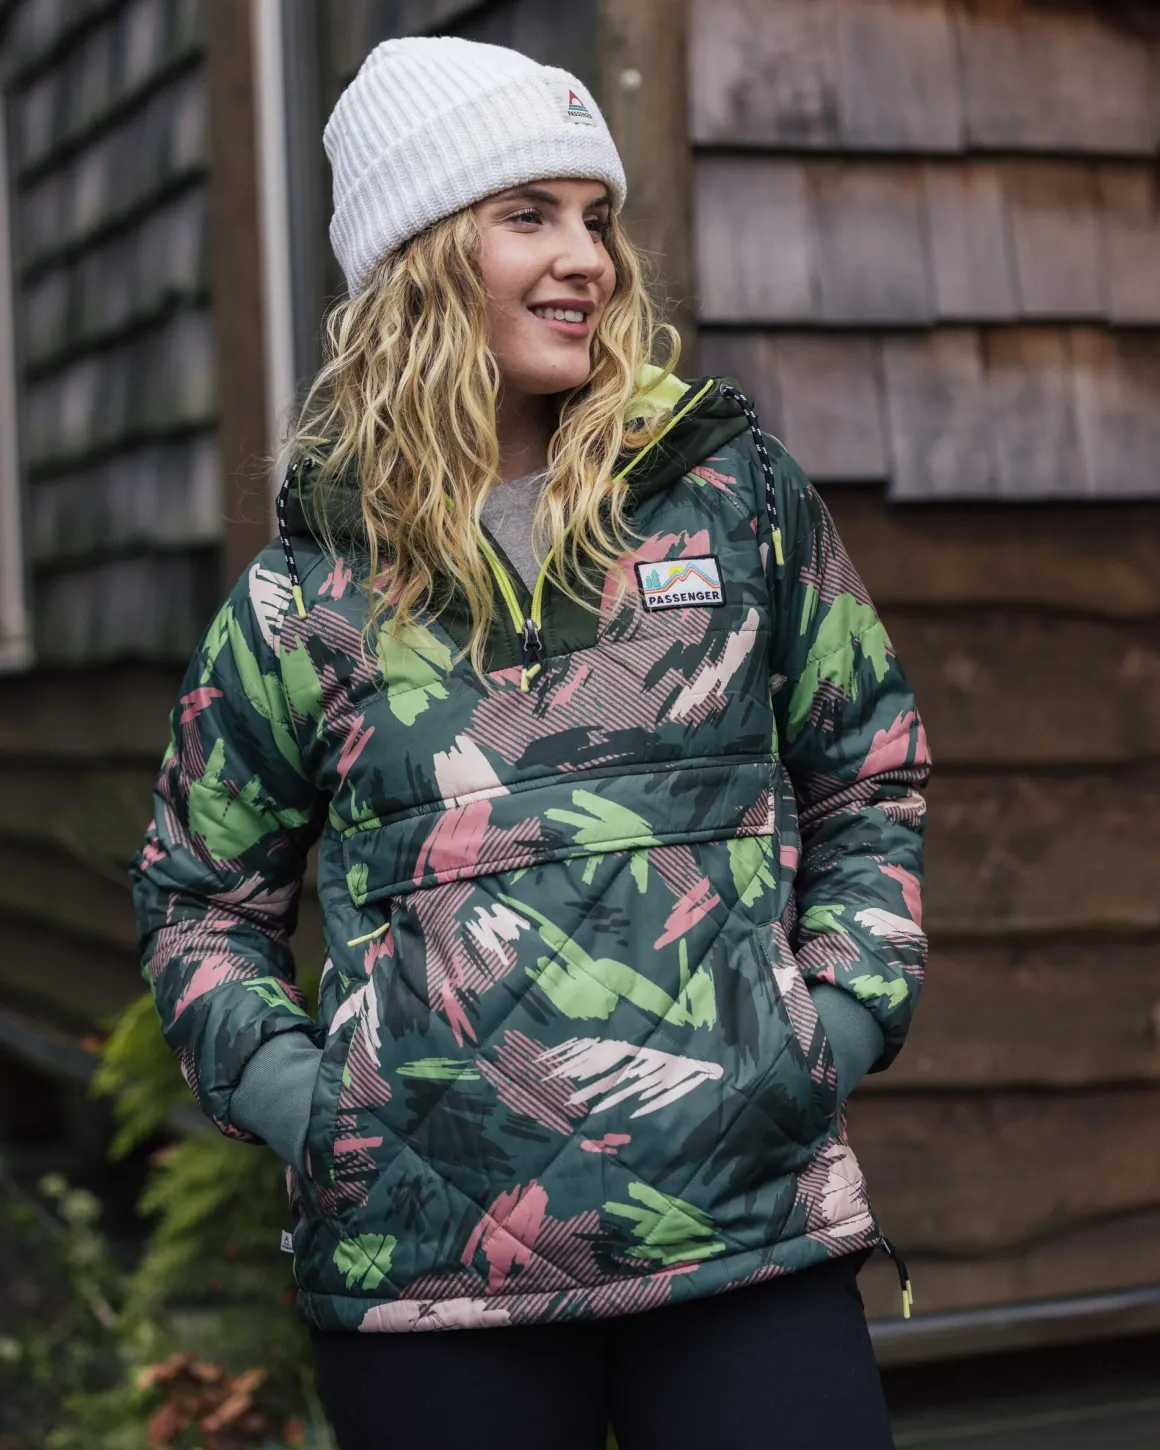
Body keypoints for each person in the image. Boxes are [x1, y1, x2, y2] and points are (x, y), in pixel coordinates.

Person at [132, 35, 930, 1450]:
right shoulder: (304, 596)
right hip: (429, 1283)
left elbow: (869, 770)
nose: (587, 260)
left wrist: (835, 1022)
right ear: (423, 257)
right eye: (529, 214)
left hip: (748, 1236)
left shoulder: (732, 502)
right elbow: (198, 898)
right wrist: (320, 1109)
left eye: (597, 217)